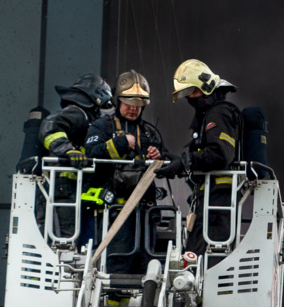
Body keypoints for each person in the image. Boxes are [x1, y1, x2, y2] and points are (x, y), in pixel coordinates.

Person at [84, 70, 167, 275]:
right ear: (117, 99)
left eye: (139, 103)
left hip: (145, 214)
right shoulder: (101, 126)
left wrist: (157, 156)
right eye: (129, 101)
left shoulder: (150, 132)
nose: (133, 108)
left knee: (145, 268)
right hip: (114, 214)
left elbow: (165, 164)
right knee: (116, 266)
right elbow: (90, 154)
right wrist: (120, 143)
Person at [157, 59, 241, 256]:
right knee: (194, 256)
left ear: (206, 87)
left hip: (217, 203)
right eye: (187, 93)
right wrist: (178, 160)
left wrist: (185, 162)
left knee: (196, 259)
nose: (191, 98)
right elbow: (206, 155)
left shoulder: (218, 114)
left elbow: (221, 154)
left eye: (193, 91)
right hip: (211, 200)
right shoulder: (211, 113)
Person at [38, 73, 113, 240]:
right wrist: (68, 150)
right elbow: (49, 128)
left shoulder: (81, 116)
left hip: (69, 187)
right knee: (65, 238)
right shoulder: (77, 113)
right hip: (64, 187)